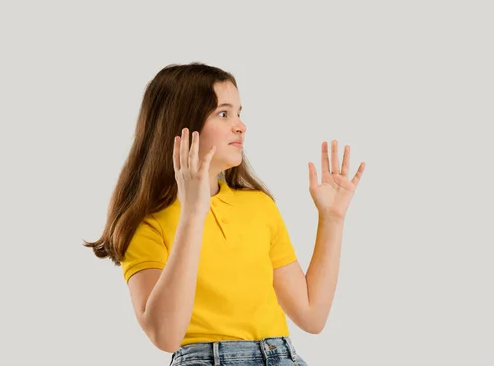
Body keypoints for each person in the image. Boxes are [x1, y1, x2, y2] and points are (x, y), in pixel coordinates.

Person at [83, 62, 366, 365]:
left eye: (239, 113)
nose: (240, 126)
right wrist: (192, 213)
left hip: (282, 356)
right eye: (223, 113)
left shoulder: (259, 206)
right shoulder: (147, 223)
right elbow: (165, 336)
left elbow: (312, 315)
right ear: (182, 125)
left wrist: (332, 219)